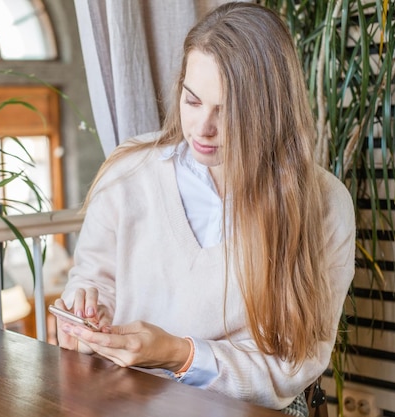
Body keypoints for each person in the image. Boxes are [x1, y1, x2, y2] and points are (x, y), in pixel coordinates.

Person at [53, 2, 356, 416]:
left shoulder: (322, 204)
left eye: (226, 109)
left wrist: (179, 354)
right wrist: (85, 315)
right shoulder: (129, 173)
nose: (202, 128)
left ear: (269, 111)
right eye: (192, 101)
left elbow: (291, 367)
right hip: (129, 399)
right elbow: (92, 284)